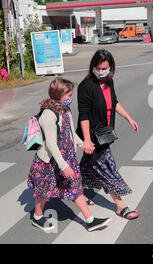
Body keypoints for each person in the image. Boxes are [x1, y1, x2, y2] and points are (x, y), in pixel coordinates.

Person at [27, 77, 111, 232]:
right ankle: (37, 217)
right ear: (58, 94)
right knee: (44, 191)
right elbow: (51, 144)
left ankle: (90, 220)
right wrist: (64, 166)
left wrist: (82, 144)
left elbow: (71, 133)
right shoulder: (48, 114)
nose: (71, 98)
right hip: (50, 161)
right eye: (69, 95)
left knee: (75, 188)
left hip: (66, 158)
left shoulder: (65, 110)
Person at [77, 49, 140, 220]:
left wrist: (129, 118)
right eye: (98, 68)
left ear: (110, 67)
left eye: (105, 68)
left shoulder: (108, 81)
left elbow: (114, 102)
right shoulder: (86, 86)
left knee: (88, 165)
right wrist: (87, 141)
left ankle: (78, 190)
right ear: (93, 67)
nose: (101, 71)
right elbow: (83, 115)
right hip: (92, 135)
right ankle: (120, 206)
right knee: (108, 167)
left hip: (104, 133)